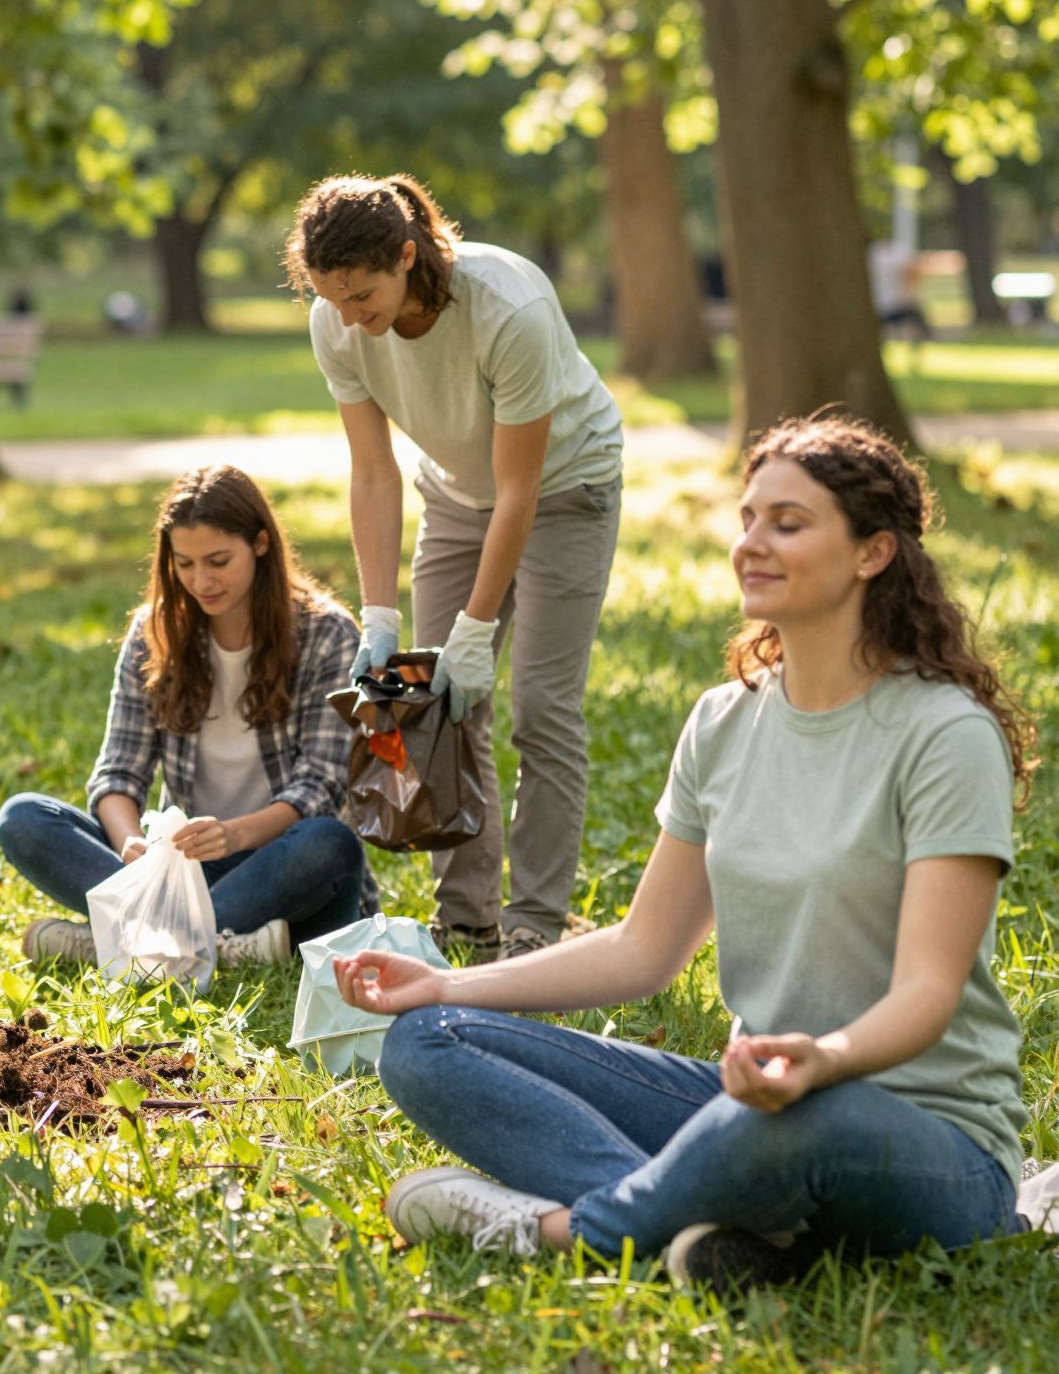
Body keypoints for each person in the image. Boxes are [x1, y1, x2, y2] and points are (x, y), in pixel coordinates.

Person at [333, 416, 1034, 1297]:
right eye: (747, 518)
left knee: (793, 1125)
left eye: (788, 522)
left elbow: (929, 994)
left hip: (921, 1138)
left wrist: (823, 1062)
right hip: (754, 1101)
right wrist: (444, 986)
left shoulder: (942, 734)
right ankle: (721, 1227)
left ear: (872, 553)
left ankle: (560, 1230)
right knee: (427, 1043)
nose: (752, 543)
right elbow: (644, 949)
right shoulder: (723, 722)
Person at [285, 174, 624, 958]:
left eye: (363, 296)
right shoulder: (334, 324)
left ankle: (535, 919)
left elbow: (521, 489)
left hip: (567, 490)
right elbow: (373, 472)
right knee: (435, 702)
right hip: (455, 497)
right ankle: (468, 915)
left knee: (541, 705)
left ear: (408, 256)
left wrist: (476, 628)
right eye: (330, 298)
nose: (349, 320)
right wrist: (379, 615)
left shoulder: (510, 310)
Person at [0, 464, 375, 968]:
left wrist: (234, 834)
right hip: (176, 870)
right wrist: (132, 843)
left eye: (219, 561)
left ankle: (122, 942)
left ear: (261, 544)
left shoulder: (327, 633)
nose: (202, 581)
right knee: (23, 818)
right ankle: (207, 945)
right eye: (185, 564)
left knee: (331, 842)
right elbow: (117, 773)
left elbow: (321, 789)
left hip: (275, 866)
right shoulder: (155, 630)